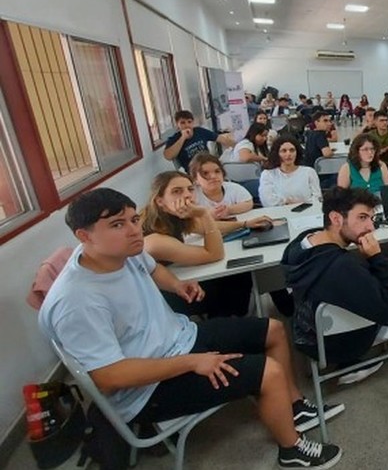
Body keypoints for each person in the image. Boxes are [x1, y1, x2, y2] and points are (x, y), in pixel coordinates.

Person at [37, 188, 342, 469]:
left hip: (180, 339)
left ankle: (293, 406)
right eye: (117, 224)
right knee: (269, 371)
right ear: (84, 236)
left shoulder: (123, 251)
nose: (133, 230)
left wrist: (178, 284)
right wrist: (193, 362)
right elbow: (108, 378)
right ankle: (292, 450)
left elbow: (153, 268)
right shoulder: (76, 302)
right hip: (146, 390)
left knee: (274, 329)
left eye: (133, 219)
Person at [284, 187, 388, 384]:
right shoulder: (343, 266)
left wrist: (379, 279)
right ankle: (352, 364)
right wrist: (378, 260)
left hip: (306, 332)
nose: (371, 227)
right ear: (336, 218)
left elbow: (350, 281)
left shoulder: (301, 242)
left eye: (371, 218)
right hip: (337, 345)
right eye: (362, 218)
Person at [141, 171, 271, 318]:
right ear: (160, 201)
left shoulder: (168, 217)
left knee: (241, 275)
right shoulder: (155, 240)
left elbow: (209, 227)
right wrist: (203, 214)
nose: (187, 195)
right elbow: (215, 254)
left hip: (179, 280)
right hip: (171, 298)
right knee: (237, 277)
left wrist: (244, 224)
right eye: (177, 191)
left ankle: (237, 316)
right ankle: (228, 323)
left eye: (190, 189)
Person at [163, 110, 235, 172]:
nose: (187, 125)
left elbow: (221, 139)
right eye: (182, 123)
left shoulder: (199, 131)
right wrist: (183, 138)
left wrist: (238, 146)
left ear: (193, 122)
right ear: (177, 124)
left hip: (209, 164)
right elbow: (168, 156)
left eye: (189, 122)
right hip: (193, 170)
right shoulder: (174, 139)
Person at [260, 137, 322, 207]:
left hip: (307, 212)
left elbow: (317, 198)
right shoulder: (268, 174)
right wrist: (287, 202)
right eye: (284, 151)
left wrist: (299, 204)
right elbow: (267, 201)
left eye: (292, 150)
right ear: (277, 153)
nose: (288, 154)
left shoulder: (309, 172)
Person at [189, 153, 254, 219]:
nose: (213, 176)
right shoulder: (192, 194)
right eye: (205, 173)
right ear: (195, 179)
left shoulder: (233, 188)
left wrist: (229, 209)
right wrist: (207, 213)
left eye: (217, 171)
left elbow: (248, 203)